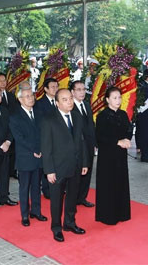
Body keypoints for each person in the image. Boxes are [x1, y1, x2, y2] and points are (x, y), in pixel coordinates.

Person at [41, 89, 89, 242]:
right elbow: (46, 147)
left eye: (70, 98)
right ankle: (56, 228)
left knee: (72, 197)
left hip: (75, 165)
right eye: (65, 99)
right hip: (57, 168)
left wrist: (84, 162)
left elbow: (82, 142)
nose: (69, 102)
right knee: (56, 200)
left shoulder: (77, 116)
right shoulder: (49, 120)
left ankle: (69, 223)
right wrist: (49, 170)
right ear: (57, 103)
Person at [9, 86, 47, 226]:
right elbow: (19, 138)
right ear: (20, 99)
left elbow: (43, 132)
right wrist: (34, 150)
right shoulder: (15, 116)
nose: (31, 98)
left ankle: (36, 211)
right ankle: (25, 215)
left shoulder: (39, 113)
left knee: (37, 186)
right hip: (26, 157)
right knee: (24, 187)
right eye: (27, 96)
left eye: (32, 95)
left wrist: (41, 149)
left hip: (39, 155)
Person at [95, 87, 132, 225]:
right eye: (115, 98)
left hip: (121, 155)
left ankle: (122, 213)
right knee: (108, 184)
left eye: (119, 97)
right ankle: (108, 216)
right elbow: (100, 137)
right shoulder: (102, 116)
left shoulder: (122, 114)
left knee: (121, 181)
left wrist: (127, 139)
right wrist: (117, 142)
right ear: (107, 100)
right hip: (108, 156)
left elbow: (129, 128)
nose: (118, 100)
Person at [70, 80, 96, 207]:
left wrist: (95, 142)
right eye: (78, 90)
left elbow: (91, 125)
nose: (82, 92)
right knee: (76, 174)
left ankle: (82, 197)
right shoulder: (70, 107)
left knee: (88, 171)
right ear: (72, 92)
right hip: (77, 145)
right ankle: (73, 199)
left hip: (89, 144)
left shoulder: (86, 105)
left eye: (83, 89)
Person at [34, 77, 59, 199]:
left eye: (56, 86)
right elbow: (40, 124)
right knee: (47, 164)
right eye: (53, 87)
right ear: (45, 89)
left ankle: (57, 186)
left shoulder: (60, 102)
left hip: (59, 140)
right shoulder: (39, 104)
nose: (55, 89)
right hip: (47, 139)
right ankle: (47, 189)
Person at [136, 69, 148, 163]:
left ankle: (147, 153)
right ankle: (144, 156)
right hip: (145, 116)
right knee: (145, 135)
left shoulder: (147, 86)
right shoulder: (145, 88)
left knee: (147, 135)